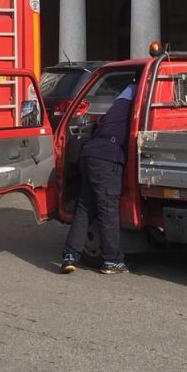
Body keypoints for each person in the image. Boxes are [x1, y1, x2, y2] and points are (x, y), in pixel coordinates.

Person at [60, 81, 135, 275]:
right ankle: (112, 260)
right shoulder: (137, 99)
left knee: (85, 208)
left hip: (90, 154)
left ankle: (69, 256)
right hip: (106, 158)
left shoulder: (122, 99)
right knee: (108, 209)